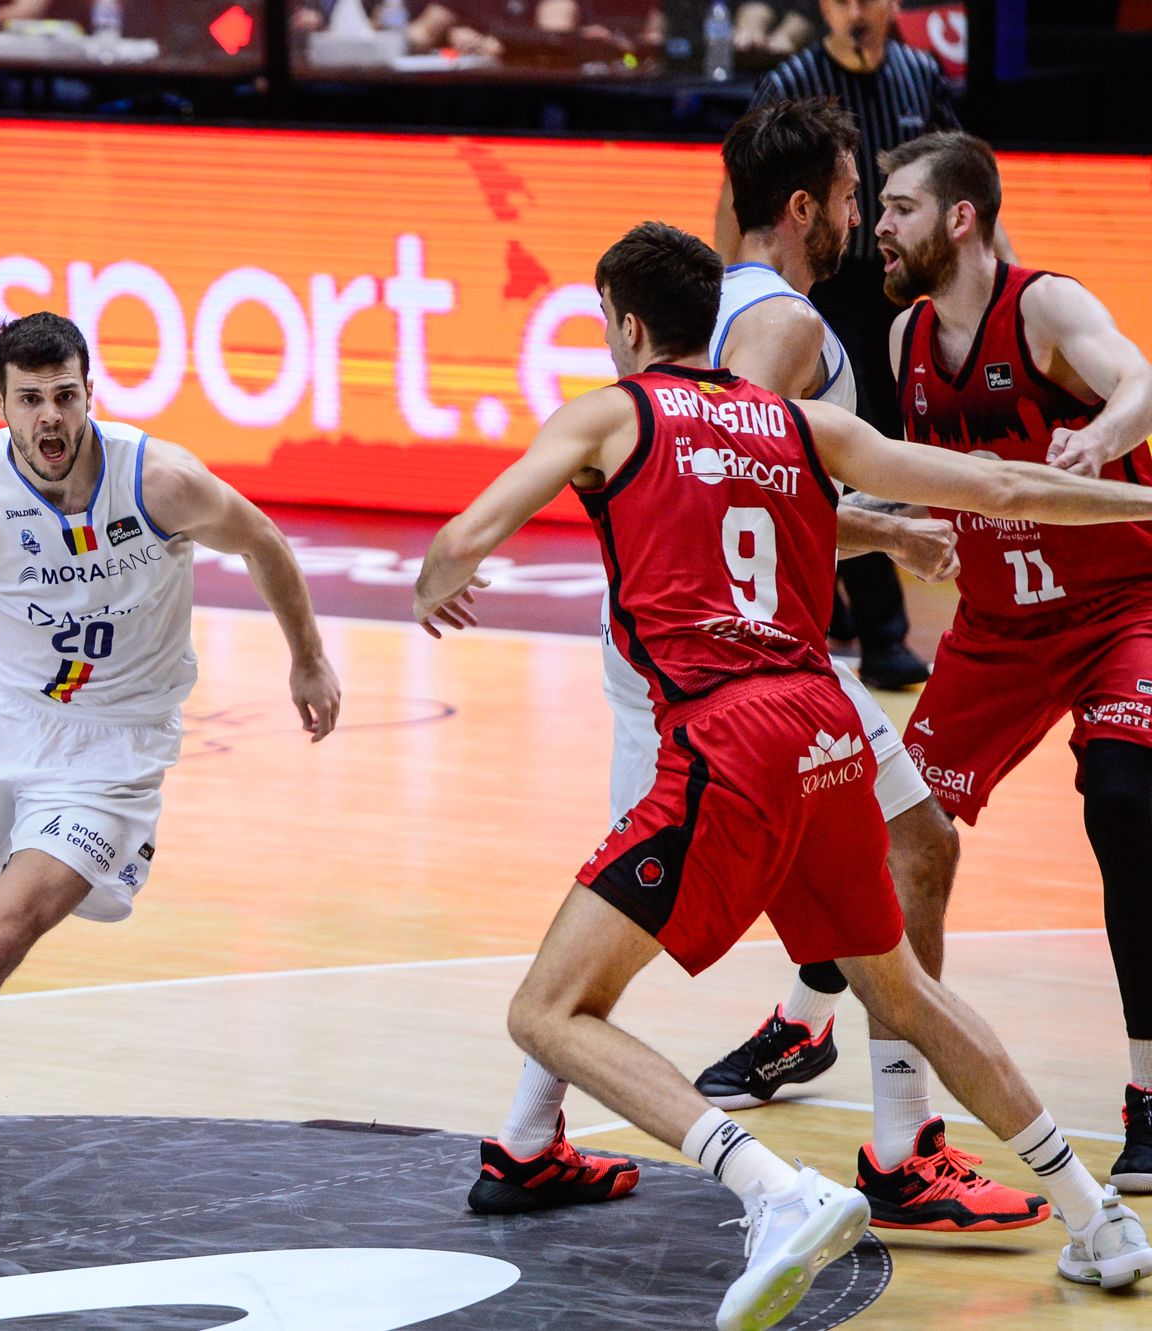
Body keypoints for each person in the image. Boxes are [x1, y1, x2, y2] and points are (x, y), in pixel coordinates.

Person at [415, 221, 1152, 1325]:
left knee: (547, 1008)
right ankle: (1095, 1215)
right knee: (903, 990)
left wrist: (435, 576)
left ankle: (771, 1187)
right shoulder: (803, 426)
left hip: (727, 738)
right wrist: (1142, 502)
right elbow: (995, 490)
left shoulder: (611, 413)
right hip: (827, 734)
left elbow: (470, 529)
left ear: (623, 322)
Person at [579, 97, 1042, 1231]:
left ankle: (892, 1137)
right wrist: (888, 526)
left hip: (734, 653)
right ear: (802, 209)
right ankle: (890, 1146)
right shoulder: (780, 323)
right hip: (708, 659)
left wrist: (877, 527)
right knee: (609, 925)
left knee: (913, 839)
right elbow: (718, 491)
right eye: (848, 195)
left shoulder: (738, 300)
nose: (859, 217)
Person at [0, 312, 340, 1201]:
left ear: (91, 393)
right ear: (0, 403)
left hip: (112, 747)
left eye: (65, 396)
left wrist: (308, 656)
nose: (49, 418)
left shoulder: (161, 480)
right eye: (30, 400)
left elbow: (264, 542)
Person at [878, 130, 1152, 1194]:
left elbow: (1135, 377)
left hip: (1116, 606)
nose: (880, 228)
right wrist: (905, 524)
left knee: (1125, 798)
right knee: (902, 835)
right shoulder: (903, 335)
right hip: (992, 631)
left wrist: (1101, 434)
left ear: (959, 218)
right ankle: (891, 1114)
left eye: (898, 208)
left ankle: (1146, 1088)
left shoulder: (1040, 308)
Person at [715, 0, 1007, 689]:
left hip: (899, 284)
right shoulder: (793, 80)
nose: (853, 9)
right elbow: (740, 189)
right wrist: (728, 281)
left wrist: (1001, 280)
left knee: (858, 447)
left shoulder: (918, 74)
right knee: (852, 444)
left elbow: (964, 181)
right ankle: (880, 634)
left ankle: (836, 591)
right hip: (831, 286)